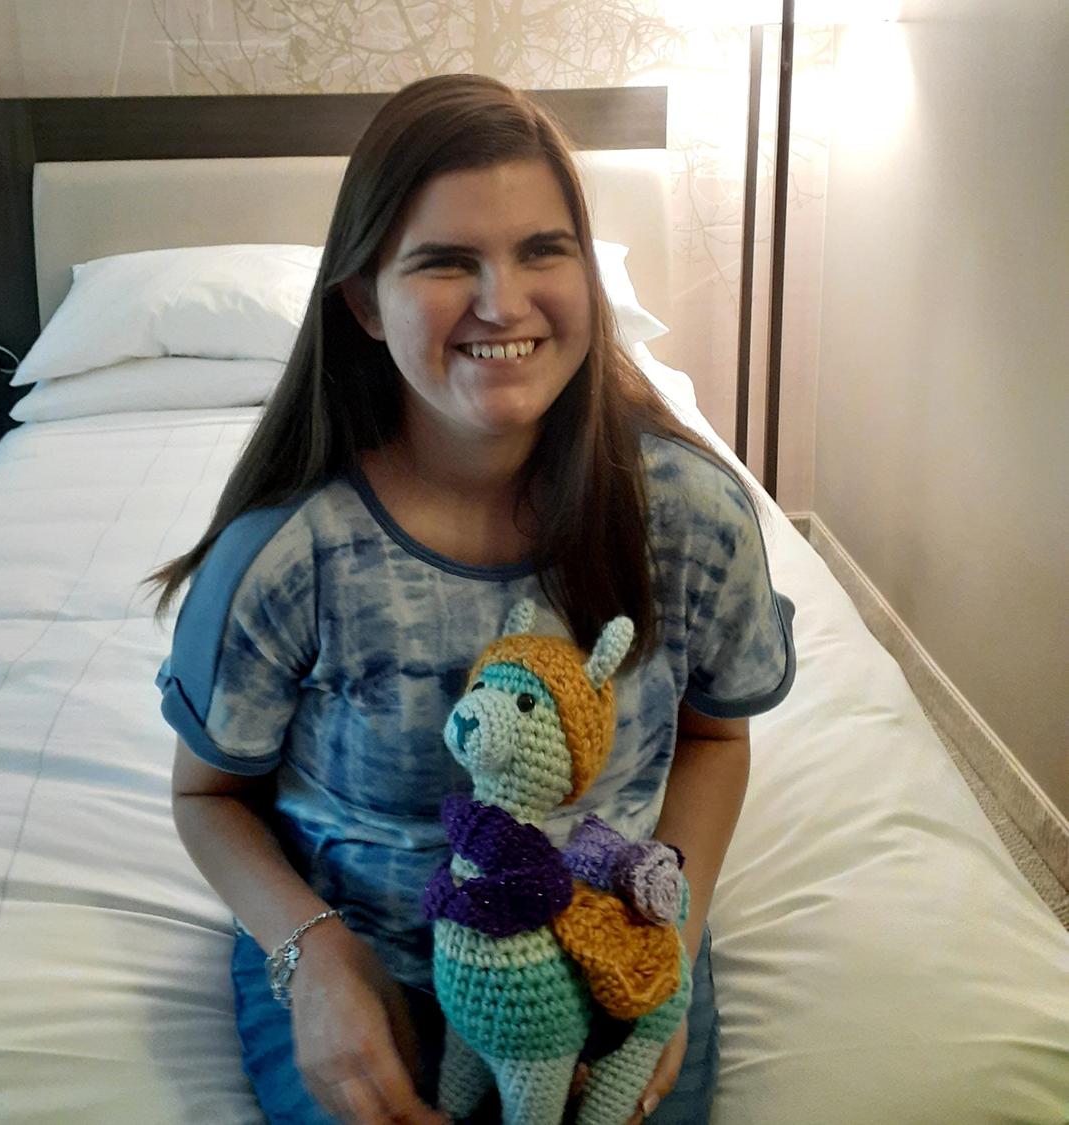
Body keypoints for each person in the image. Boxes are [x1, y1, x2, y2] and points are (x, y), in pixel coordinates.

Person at [151, 73, 795, 1125]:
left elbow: (715, 741)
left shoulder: (690, 515)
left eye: (546, 250)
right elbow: (206, 798)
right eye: (447, 263)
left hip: (605, 953)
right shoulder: (286, 556)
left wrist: (665, 952)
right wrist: (315, 962)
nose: (503, 303)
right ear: (363, 300)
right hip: (367, 956)